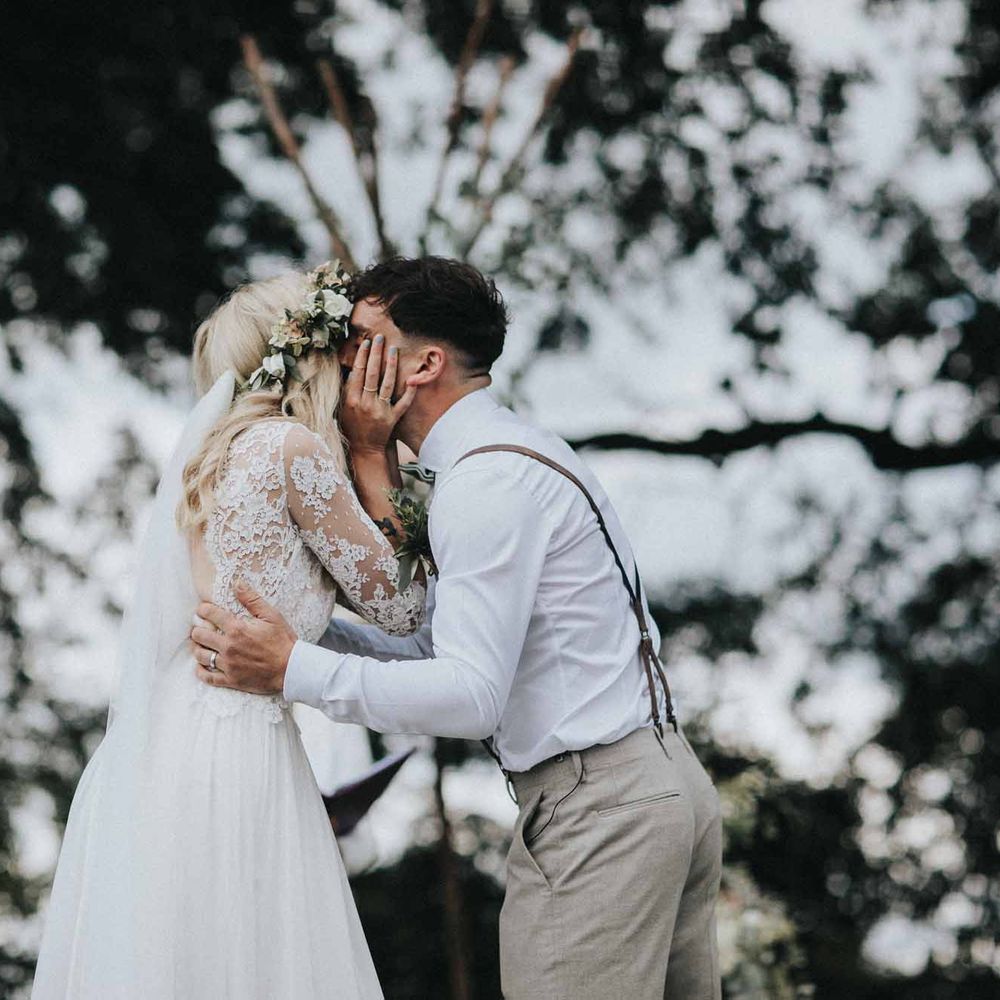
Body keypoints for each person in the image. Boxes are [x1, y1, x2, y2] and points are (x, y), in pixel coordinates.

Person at [192, 255, 723, 999]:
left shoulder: (485, 484)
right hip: (656, 786)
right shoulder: (509, 456)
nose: (343, 354)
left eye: (364, 337)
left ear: (425, 363)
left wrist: (292, 672)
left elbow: (472, 696)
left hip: (603, 811)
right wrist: (305, 633)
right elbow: (431, 647)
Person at [31, 264, 425, 999]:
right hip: (237, 737)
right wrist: (376, 459)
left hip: (171, 738)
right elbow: (406, 610)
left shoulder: (218, 458)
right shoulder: (292, 452)